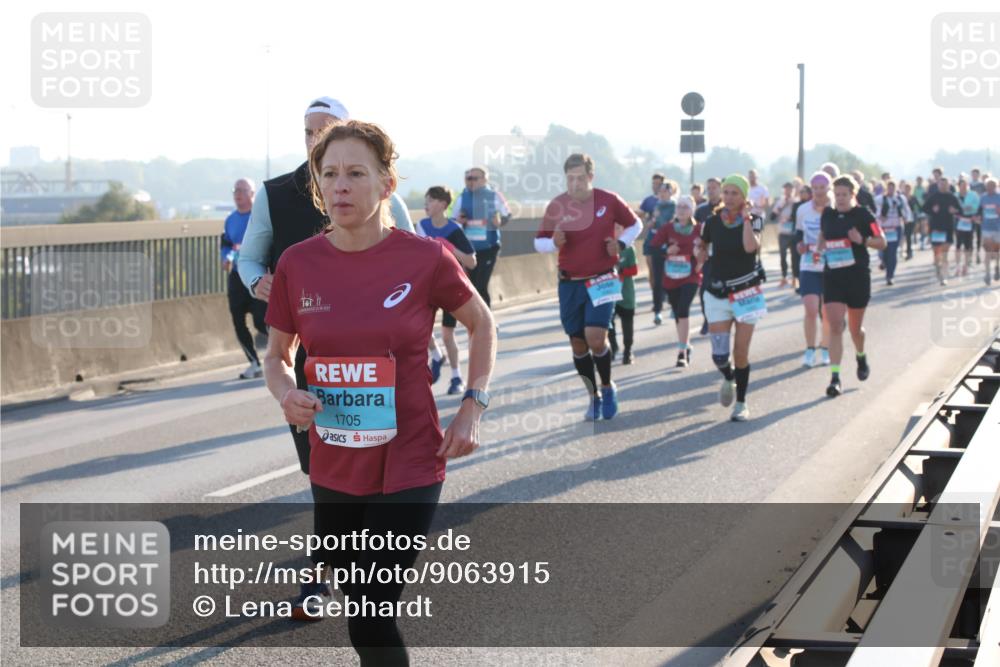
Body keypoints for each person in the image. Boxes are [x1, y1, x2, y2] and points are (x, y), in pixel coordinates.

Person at [263, 120, 496, 664]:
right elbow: (277, 356)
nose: (340, 186)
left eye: (355, 173)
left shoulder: (425, 258)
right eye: (329, 175)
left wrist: (472, 405)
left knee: (371, 606)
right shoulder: (297, 264)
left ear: (386, 184)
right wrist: (285, 393)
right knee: (361, 611)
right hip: (335, 463)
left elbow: (482, 325)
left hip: (409, 460)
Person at [239, 96, 415, 476]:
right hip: (308, 332)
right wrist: (259, 281)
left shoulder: (385, 193)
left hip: (376, 333)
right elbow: (248, 259)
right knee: (320, 463)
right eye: (308, 132)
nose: (314, 139)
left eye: (324, 131)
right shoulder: (274, 193)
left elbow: (415, 260)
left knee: (385, 465)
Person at [535, 153, 642, 420]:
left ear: (590, 177)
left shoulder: (608, 200)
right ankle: (592, 395)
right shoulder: (557, 205)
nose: (575, 184)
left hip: (603, 278)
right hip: (570, 283)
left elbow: (635, 224)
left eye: (581, 178)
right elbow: (539, 243)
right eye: (570, 179)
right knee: (578, 345)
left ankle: (607, 387)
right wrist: (554, 243)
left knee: (596, 337)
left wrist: (621, 244)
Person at [695, 174, 764, 422]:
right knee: (720, 355)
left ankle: (742, 403)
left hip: (746, 293)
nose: (730, 197)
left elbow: (749, 247)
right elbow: (701, 246)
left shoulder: (755, 220)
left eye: (735, 193)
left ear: (744, 197)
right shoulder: (712, 222)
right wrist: (698, 252)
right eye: (727, 192)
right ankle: (728, 377)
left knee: (741, 353)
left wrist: (746, 218)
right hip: (717, 292)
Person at [817, 175, 886, 397]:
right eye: (836, 195)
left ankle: (861, 355)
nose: (840, 199)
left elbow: (882, 242)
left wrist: (862, 240)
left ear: (853, 195)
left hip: (857, 277)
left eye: (844, 195)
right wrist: (818, 250)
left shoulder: (865, 215)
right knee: (836, 326)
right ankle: (835, 378)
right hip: (833, 276)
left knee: (855, 329)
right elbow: (823, 235)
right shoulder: (827, 214)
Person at [417, 186, 478, 394]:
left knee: (447, 334)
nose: (426, 205)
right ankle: (436, 355)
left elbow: (471, 261)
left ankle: (456, 377)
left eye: (431, 200)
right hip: (427, 285)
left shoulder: (454, 230)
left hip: (451, 287)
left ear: (443, 204)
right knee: (419, 328)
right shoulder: (421, 226)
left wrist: (449, 248)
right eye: (425, 200)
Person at [221, 178, 269, 379]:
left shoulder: (260, 215)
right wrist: (225, 258)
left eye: (242, 190)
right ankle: (254, 363)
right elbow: (227, 244)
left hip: (257, 275)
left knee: (261, 322)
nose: (238, 194)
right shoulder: (230, 220)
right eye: (235, 190)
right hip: (237, 276)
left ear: (252, 193)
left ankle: (285, 354)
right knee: (238, 321)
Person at [649, 195, 703, 367]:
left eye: (685, 207)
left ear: (692, 211)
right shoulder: (667, 228)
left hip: (691, 276)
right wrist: (667, 249)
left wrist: (700, 260)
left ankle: (681, 352)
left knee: (682, 309)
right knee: (678, 313)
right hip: (671, 277)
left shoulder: (699, 229)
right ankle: (686, 344)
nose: (681, 210)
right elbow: (653, 247)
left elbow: (708, 248)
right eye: (679, 206)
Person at [452, 167, 512, 311]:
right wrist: (459, 220)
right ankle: (478, 321)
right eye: (468, 178)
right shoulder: (461, 197)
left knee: (481, 284)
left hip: (489, 247)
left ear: (485, 180)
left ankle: (487, 322)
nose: (470, 181)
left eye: (475, 178)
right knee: (472, 286)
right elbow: (452, 219)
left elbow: (507, 214)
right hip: (469, 250)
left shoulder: (494, 195)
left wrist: (500, 221)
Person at [796, 173, 833, 368]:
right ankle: (810, 349)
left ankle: (825, 348)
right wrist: (799, 245)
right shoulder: (803, 210)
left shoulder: (835, 209)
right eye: (815, 187)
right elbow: (799, 234)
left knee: (826, 312)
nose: (819, 191)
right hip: (808, 264)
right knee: (810, 310)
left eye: (822, 187)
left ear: (829, 188)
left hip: (830, 265)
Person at [644, 180, 677, 325]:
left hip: (671, 245)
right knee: (657, 279)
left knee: (672, 276)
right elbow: (650, 224)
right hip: (656, 245)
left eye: (665, 191)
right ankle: (657, 310)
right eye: (660, 191)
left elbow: (674, 224)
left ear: (671, 192)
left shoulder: (675, 206)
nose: (662, 193)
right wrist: (653, 219)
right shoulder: (656, 206)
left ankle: (674, 305)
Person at [694, 177, 722, 335]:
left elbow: (756, 222)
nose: (711, 191)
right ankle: (707, 320)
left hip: (725, 256)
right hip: (708, 256)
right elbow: (695, 232)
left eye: (714, 188)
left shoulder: (728, 208)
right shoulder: (701, 210)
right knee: (704, 289)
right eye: (709, 188)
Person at [923, 175, 963, 286]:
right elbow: (924, 208)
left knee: (945, 253)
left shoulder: (952, 197)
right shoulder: (933, 196)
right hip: (936, 228)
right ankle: (938, 269)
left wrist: (954, 210)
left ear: (948, 185)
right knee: (937, 252)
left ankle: (943, 276)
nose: (943, 186)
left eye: (945, 184)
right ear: (938, 185)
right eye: (941, 184)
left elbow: (960, 210)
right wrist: (932, 210)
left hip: (948, 228)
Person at [874, 179, 912, 286]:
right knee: (883, 251)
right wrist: (880, 216)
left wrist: (906, 218)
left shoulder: (900, 199)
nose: (891, 190)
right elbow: (875, 211)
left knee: (893, 252)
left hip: (896, 228)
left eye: (893, 187)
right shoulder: (880, 199)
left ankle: (890, 276)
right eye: (889, 187)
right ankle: (883, 261)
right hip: (884, 228)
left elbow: (906, 210)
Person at [608, 242, 638, 364]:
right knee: (607, 322)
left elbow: (634, 270)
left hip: (625, 292)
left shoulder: (629, 249)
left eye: (619, 228)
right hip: (609, 291)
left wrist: (620, 270)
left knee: (627, 321)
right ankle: (612, 347)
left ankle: (628, 350)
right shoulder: (604, 246)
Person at [773, 182, 797, 288]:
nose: (788, 191)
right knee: (783, 256)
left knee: (794, 257)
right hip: (783, 232)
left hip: (793, 232)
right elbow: (772, 216)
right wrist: (782, 206)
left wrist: (790, 218)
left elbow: (798, 216)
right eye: (786, 189)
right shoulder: (780, 201)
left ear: (793, 190)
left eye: (790, 189)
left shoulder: (796, 201)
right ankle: (784, 277)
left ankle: (794, 278)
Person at [955, 178, 981, 277]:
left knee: (968, 245)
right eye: (962, 185)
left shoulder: (973, 195)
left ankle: (966, 265)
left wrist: (969, 209)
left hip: (970, 221)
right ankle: (958, 266)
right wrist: (963, 209)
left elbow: (977, 206)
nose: (964, 187)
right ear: (959, 186)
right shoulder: (956, 196)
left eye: (965, 185)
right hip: (958, 222)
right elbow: (954, 208)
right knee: (958, 245)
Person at [980, 177, 1000, 285]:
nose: (990, 188)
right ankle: (987, 274)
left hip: (998, 228)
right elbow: (979, 210)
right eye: (988, 186)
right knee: (988, 251)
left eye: (992, 186)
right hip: (986, 228)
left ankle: (997, 267)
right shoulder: (983, 198)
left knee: (996, 252)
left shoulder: (999, 197)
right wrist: (977, 217)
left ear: (995, 187)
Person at [902, 181, 919, 260]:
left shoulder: (913, 197)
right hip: (903, 218)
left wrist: (916, 213)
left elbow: (919, 206)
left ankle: (909, 251)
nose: (907, 190)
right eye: (906, 188)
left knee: (909, 235)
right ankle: (904, 250)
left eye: (909, 188)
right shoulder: (901, 197)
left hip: (911, 218)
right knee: (904, 235)